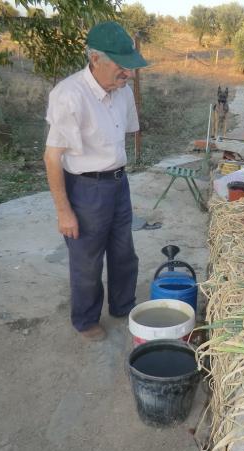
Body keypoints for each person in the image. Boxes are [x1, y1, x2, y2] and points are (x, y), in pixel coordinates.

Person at [43, 21, 147, 341]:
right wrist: (64, 211)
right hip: (86, 190)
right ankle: (86, 320)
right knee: (87, 261)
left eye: (130, 66)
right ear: (95, 58)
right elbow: (52, 158)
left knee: (123, 252)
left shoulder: (123, 91)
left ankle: (123, 305)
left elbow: (121, 135)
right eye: (121, 66)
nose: (128, 73)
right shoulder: (69, 95)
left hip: (118, 184)